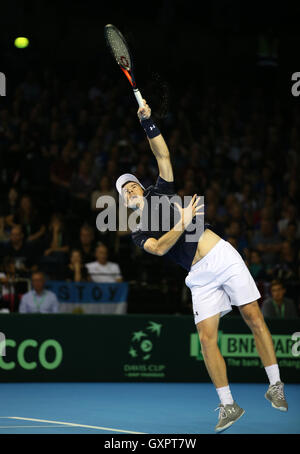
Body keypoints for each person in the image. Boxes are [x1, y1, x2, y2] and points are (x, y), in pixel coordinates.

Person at [115, 100, 288, 433]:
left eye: (133, 183)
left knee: (253, 315)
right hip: (198, 277)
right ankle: (228, 405)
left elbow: (162, 155)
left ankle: (275, 384)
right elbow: (161, 247)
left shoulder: (161, 190)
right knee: (207, 340)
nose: (131, 188)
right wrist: (182, 222)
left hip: (221, 256)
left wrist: (148, 123)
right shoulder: (138, 232)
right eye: (125, 189)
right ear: (123, 201)